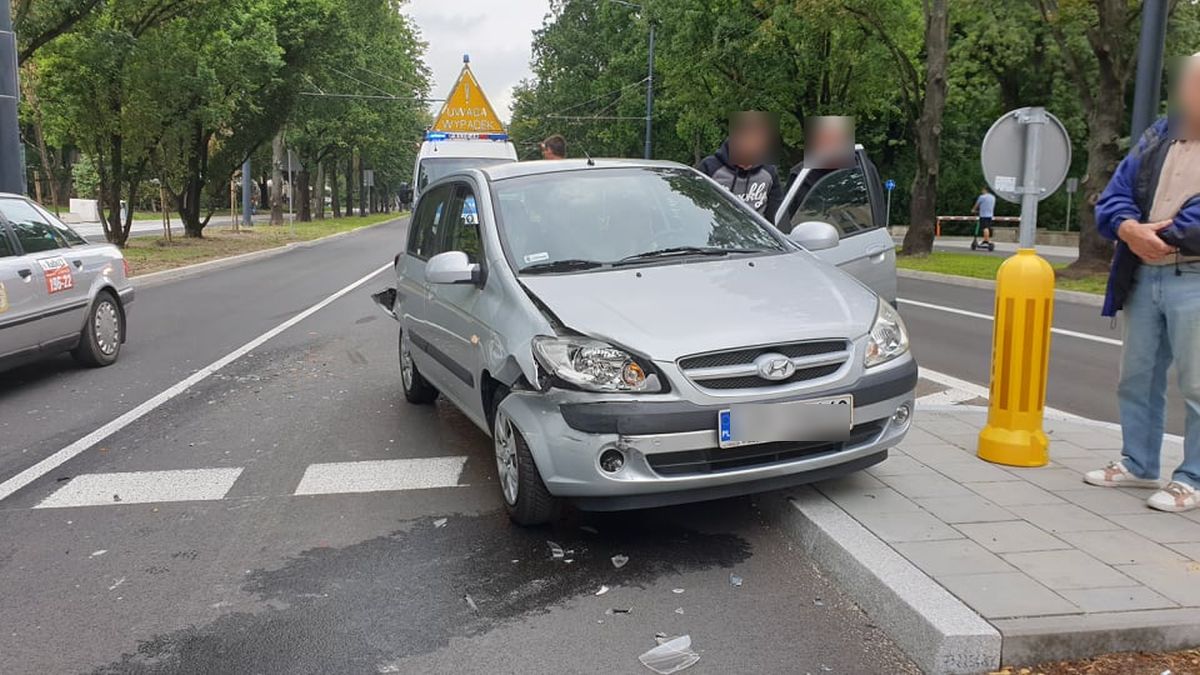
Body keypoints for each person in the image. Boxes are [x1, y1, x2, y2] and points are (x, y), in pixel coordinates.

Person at [1084, 53, 1200, 512]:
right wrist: (1131, 229)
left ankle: (1192, 477)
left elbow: (1193, 223)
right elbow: (1113, 197)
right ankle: (1139, 463)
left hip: (1193, 276)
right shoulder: (1160, 133)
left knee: (1198, 385)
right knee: (1136, 376)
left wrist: (1162, 233)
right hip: (1143, 274)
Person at [696, 111, 784, 221]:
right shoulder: (709, 167)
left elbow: (777, 217)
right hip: (718, 234)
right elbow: (697, 209)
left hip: (757, 236)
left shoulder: (769, 171)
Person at [970, 186, 996, 251]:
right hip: (990, 215)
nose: (982, 191)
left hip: (983, 215)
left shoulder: (982, 197)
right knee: (987, 227)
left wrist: (973, 210)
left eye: (983, 190)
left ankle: (986, 241)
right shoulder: (993, 197)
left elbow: (977, 204)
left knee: (985, 228)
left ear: (985, 190)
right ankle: (985, 240)